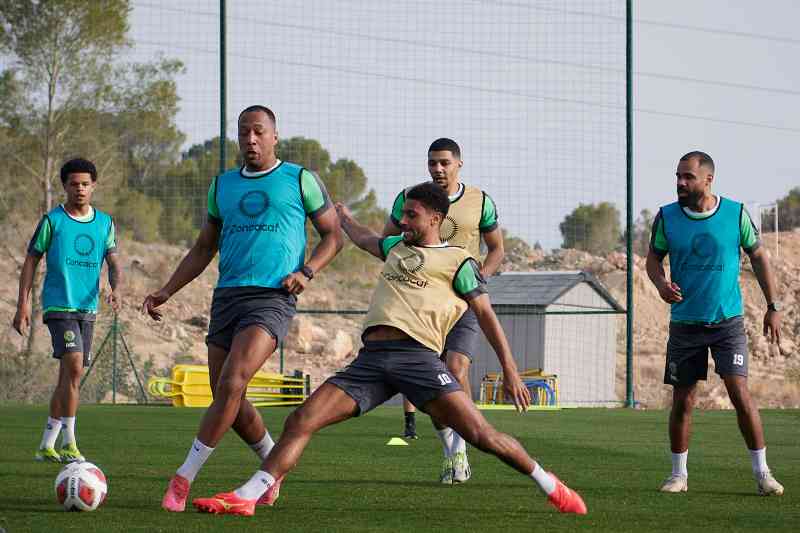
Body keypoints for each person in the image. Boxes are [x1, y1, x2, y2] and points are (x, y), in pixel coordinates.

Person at [190, 182, 586, 516]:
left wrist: (510, 368)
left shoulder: (459, 261)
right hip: (371, 363)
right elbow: (364, 239)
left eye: (411, 215)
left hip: (418, 360)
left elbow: (485, 315)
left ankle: (549, 483)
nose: (403, 221)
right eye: (403, 215)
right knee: (300, 420)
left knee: (482, 435)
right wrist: (342, 217)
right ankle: (248, 496)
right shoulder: (396, 246)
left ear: (435, 218)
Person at [143, 105, 342, 512]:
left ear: (274, 136)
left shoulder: (299, 179)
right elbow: (203, 248)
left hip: (272, 297)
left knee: (232, 383)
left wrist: (307, 271)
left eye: (258, 132)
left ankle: (183, 478)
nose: (250, 140)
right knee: (226, 397)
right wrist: (166, 290)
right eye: (243, 133)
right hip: (227, 296)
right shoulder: (222, 186)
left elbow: (333, 237)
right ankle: (272, 463)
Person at [646, 151, 784, 496]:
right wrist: (661, 284)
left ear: (708, 180)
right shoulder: (666, 217)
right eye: (678, 176)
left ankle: (763, 473)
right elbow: (653, 258)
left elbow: (759, 256)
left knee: (739, 393)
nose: (680, 182)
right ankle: (678, 475)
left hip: (728, 323)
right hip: (685, 324)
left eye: (688, 177)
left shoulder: (735, 214)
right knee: (684, 400)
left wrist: (772, 306)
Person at [384, 138, 503, 484]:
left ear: (459, 165)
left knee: (456, 368)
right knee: (430, 381)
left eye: (444, 163)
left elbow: (496, 249)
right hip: (423, 304)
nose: (438, 169)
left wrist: (480, 278)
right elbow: (388, 241)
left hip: (462, 303)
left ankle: (461, 451)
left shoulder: (480, 201)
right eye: (432, 163)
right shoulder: (410, 199)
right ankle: (449, 449)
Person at [14, 158, 122, 464]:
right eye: (74, 184)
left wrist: (116, 289)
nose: (80, 189)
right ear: (65, 186)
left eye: (85, 184)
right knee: (74, 366)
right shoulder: (52, 221)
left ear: (94, 186)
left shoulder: (105, 223)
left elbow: (113, 262)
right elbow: (31, 261)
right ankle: (69, 443)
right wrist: (23, 303)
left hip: (87, 309)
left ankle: (46, 443)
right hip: (58, 305)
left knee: (68, 376)